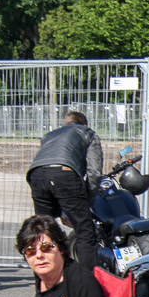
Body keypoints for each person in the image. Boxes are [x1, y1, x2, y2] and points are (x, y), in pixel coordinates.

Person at [26, 111, 103, 269]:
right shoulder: (88, 133)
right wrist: (87, 201)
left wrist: (62, 211)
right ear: (85, 125)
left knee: (43, 229)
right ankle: (88, 283)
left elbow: (47, 168)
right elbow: (94, 172)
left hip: (36, 174)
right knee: (85, 231)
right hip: (65, 173)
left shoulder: (50, 135)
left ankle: (46, 280)